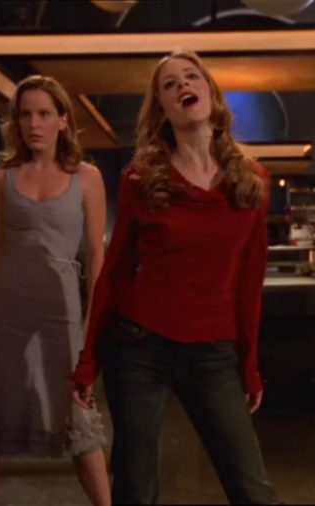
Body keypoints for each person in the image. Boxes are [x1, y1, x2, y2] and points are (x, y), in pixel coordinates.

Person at [69, 49, 279, 505]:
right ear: (162, 108)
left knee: (252, 489)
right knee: (136, 487)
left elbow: (250, 283)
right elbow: (116, 272)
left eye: (191, 77)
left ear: (211, 94)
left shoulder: (251, 180)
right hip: (139, 345)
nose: (183, 85)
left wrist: (249, 364)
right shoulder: (142, 179)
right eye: (170, 84)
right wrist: (89, 359)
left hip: (214, 353)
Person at [0, 75, 111, 506]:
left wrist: (93, 322)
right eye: (25, 114)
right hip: (3, 311)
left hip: (60, 308)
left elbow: (97, 256)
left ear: (62, 120)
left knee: (78, 421)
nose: (34, 124)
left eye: (44, 113)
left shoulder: (87, 177)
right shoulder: (3, 176)